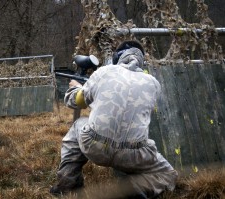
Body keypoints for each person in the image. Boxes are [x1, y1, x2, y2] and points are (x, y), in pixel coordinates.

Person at [50, 40, 178, 198]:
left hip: (95, 146)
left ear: (118, 57)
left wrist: (76, 87)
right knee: (168, 174)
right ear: (141, 60)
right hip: (135, 155)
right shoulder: (153, 83)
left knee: (78, 125)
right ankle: (134, 189)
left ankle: (67, 185)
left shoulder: (104, 72)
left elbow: (75, 101)